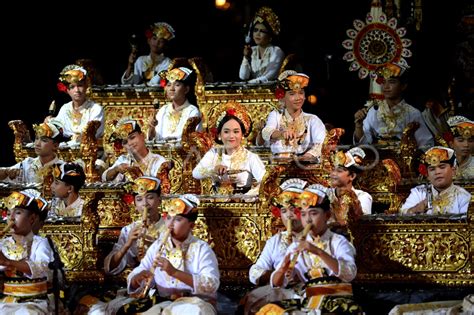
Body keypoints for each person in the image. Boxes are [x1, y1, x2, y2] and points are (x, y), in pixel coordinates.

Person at [267, 187, 360, 314]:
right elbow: (278, 284)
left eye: (314, 213)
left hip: (338, 300)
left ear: (327, 215)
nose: (308, 220)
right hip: (309, 300)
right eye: (304, 215)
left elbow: (349, 273)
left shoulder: (338, 242)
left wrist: (318, 251)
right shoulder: (296, 246)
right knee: (271, 310)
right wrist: (283, 268)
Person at [126, 194, 219, 314]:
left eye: (178, 219)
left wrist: (174, 272)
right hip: (164, 302)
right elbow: (142, 269)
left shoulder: (201, 248)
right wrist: (137, 278)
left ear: (191, 225)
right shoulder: (158, 246)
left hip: (196, 304)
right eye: (168, 218)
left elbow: (211, 284)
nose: (170, 224)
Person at [354, 63, 434, 149]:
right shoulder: (374, 111)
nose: (386, 87)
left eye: (392, 82)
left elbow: (426, 144)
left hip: (404, 159)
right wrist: (359, 126)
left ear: (403, 86)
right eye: (383, 82)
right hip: (378, 158)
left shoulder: (413, 113)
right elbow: (363, 144)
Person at [192, 102, 266, 195]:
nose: (231, 136)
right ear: (219, 135)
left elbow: (265, 182)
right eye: (226, 132)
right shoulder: (214, 153)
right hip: (217, 203)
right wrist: (213, 169)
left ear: (242, 134)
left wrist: (248, 196)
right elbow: (195, 173)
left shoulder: (250, 157)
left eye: (236, 131)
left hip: (243, 205)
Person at [0, 190, 53, 314]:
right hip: (7, 299)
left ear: (32, 218)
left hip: (36, 300)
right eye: (8, 214)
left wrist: (8, 262)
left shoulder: (41, 243)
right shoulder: (2, 243)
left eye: (18, 213)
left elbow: (44, 269)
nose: (11, 218)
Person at [104, 176, 165, 276]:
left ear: (159, 200)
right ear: (135, 204)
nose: (145, 204)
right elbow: (109, 269)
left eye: (150, 197)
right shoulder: (128, 230)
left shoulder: (170, 228)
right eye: (139, 199)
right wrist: (128, 244)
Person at [261, 70, 326, 158]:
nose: (298, 98)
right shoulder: (276, 115)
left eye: (301, 93)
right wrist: (281, 134)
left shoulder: (312, 120)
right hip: (277, 165)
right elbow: (266, 132)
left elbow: (320, 145)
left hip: (303, 166)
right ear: (283, 97)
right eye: (292, 94)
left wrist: (303, 159)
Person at [401, 146, 471, 215]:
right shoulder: (419, 193)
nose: (437, 172)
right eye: (432, 169)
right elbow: (402, 213)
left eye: (442, 167)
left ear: (453, 171)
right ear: (427, 175)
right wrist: (415, 209)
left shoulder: (463, 197)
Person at [49, 64, 104, 143]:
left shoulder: (95, 109)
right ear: (67, 90)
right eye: (72, 87)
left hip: (90, 150)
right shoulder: (65, 108)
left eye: (80, 85)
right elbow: (58, 127)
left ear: (86, 87)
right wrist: (50, 124)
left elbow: (92, 134)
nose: (77, 90)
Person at [0, 121, 65, 186]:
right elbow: (5, 173)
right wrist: (6, 171)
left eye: (44, 140)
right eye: (36, 138)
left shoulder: (63, 168)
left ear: (55, 146)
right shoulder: (27, 164)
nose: (37, 144)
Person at [147, 67, 202, 142]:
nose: (171, 88)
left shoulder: (192, 111)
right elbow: (154, 138)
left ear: (186, 89)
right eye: (169, 85)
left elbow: (192, 139)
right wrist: (152, 127)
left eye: (177, 85)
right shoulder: (163, 110)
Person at [239, 6, 284, 84]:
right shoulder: (252, 50)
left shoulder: (276, 51)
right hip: (254, 91)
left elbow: (269, 76)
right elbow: (243, 76)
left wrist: (248, 84)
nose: (257, 34)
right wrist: (246, 57)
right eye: (255, 30)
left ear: (270, 37)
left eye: (262, 31)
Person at [328, 147, 372, 215]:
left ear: (352, 176)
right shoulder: (324, 196)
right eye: (333, 170)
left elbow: (363, 221)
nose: (333, 174)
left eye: (339, 171)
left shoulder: (362, 197)